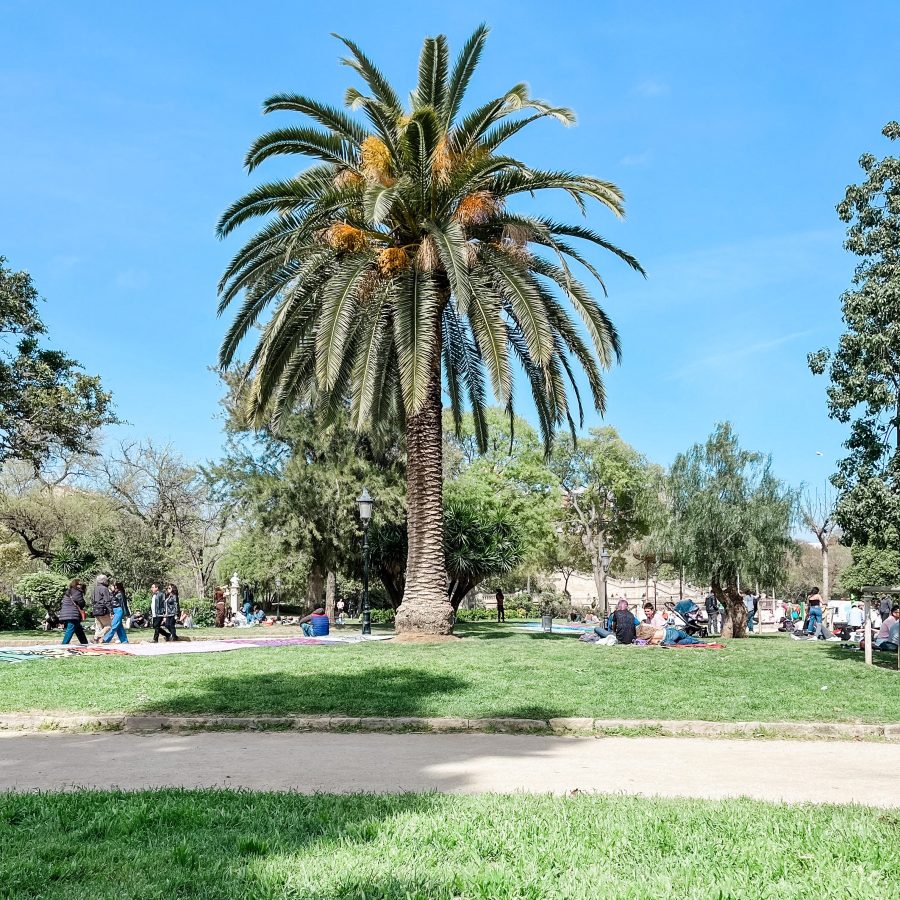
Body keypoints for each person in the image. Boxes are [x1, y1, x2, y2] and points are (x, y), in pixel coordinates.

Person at [59, 579, 88, 646]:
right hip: (72, 613)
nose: (81, 586)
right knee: (70, 628)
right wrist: (83, 603)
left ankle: (84, 643)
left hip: (68, 612)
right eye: (79, 584)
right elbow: (80, 602)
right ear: (76, 585)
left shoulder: (70, 591)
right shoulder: (76, 591)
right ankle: (64, 644)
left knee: (78, 629)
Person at [637, 623, 708, 646]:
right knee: (686, 636)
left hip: (668, 640)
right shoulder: (649, 628)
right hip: (671, 632)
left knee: (686, 642)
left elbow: (657, 642)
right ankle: (700, 642)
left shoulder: (647, 637)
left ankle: (700, 643)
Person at [91, 574, 112, 643]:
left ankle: (97, 641)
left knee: (99, 627)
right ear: (104, 581)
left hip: (95, 609)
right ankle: (96, 637)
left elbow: (93, 600)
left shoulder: (95, 589)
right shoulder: (104, 589)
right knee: (108, 626)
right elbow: (107, 600)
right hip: (103, 610)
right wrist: (111, 611)